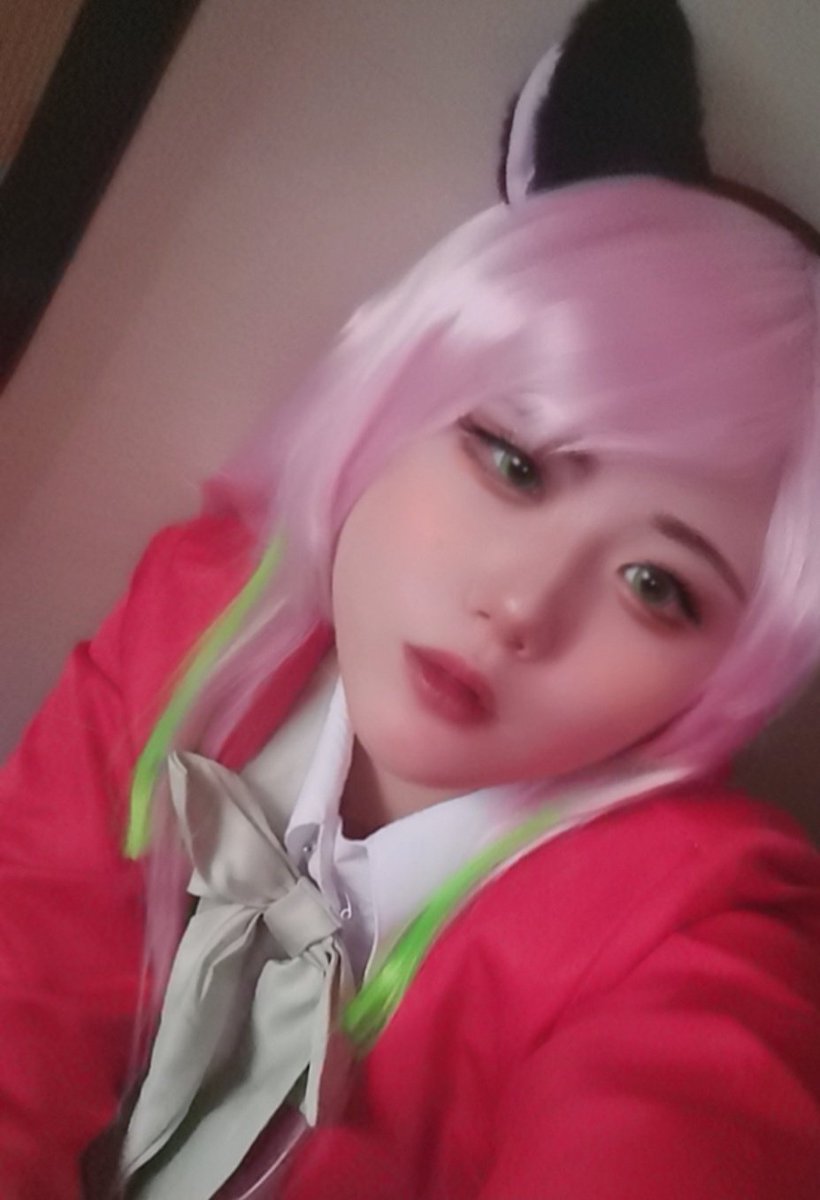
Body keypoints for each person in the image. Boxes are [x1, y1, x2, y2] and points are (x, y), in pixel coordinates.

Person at [2, 1, 819, 1197]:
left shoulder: (702, 926)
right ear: (395, 401)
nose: (520, 606)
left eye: (658, 586)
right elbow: (23, 956)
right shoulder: (200, 613)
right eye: (513, 463)